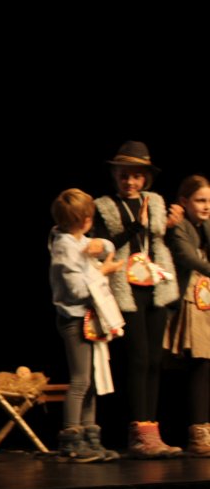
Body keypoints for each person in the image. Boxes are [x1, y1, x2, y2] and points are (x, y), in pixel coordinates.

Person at [91, 141, 180, 457]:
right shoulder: (104, 206)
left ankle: (152, 432)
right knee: (138, 358)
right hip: (125, 288)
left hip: (154, 285)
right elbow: (104, 247)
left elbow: (158, 239)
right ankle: (139, 433)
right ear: (115, 175)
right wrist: (134, 227)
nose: (130, 181)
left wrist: (169, 225)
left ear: (146, 178)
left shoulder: (154, 202)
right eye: (124, 175)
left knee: (155, 359)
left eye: (136, 176)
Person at [49, 189, 123, 462]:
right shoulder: (64, 247)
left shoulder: (78, 239)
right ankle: (72, 437)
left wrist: (102, 245)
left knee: (92, 380)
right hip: (74, 318)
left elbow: (105, 247)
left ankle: (90, 437)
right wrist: (102, 272)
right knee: (81, 380)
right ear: (83, 219)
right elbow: (77, 289)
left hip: (90, 318)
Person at [165, 175, 210, 456]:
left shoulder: (205, 226)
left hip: (205, 299)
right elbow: (187, 257)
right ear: (184, 201)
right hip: (188, 301)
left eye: (209, 201)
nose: (206, 206)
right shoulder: (180, 227)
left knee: (205, 365)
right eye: (200, 200)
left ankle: (203, 429)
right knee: (200, 363)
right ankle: (198, 433)